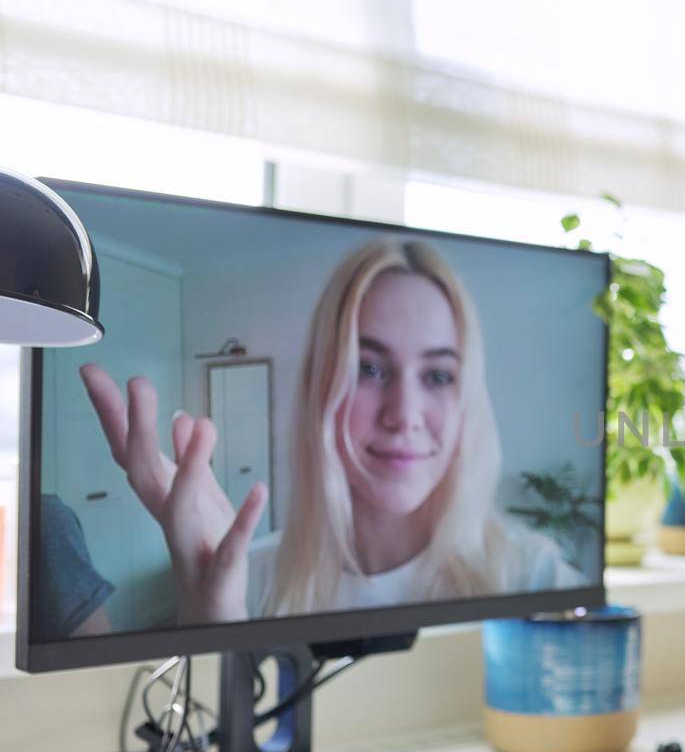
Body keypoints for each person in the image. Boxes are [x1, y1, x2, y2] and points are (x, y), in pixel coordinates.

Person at [80, 238, 585, 626]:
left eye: (437, 376)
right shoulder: (251, 586)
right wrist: (213, 627)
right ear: (320, 388)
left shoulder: (532, 577)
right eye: (368, 368)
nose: (404, 414)